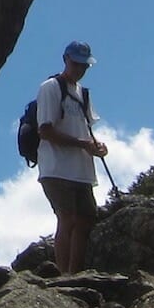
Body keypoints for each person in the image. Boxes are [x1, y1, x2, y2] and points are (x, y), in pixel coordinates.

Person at [36, 40, 107, 275]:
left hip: (81, 171)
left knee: (85, 220)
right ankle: (64, 275)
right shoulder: (51, 87)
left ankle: (75, 274)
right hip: (56, 167)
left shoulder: (83, 94)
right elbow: (45, 130)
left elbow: (85, 129)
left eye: (84, 65)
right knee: (67, 219)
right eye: (76, 63)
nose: (80, 69)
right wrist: (83, 145)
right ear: (66, 59)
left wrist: (96, 146)